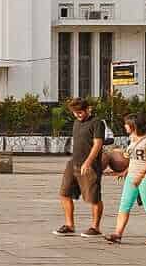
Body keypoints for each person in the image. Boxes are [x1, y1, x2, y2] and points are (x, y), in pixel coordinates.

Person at [104, 114, 146, 245]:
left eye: (126, 124)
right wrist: (125, 172)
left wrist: (140, 176)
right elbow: (132, 159)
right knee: (124, 205)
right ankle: (118, 234)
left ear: (133, 126)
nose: (124, 126)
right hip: (132, 176)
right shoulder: (131, 138)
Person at [55, 98, 105, 238]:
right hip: (74, 163)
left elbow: (98, 144)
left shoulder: (97, 123)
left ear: (88, 109)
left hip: (90, 165)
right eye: (75, 113)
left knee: (93, 197)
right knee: (64, 193)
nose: (78, 115)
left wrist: (88, 162)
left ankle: (95, 227)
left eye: (80, 112)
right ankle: (70, 225)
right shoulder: (76, 122)